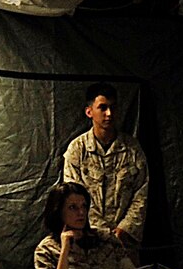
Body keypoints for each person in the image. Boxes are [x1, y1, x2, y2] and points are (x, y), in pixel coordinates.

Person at [60, 81, 150, 248]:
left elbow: (141, 193)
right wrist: (101, 232)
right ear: (89, 111)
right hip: (88, 239)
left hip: (125, 241)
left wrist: (125, 229)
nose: (109, 113)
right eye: (102, 107)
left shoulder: (132, 149)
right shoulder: (77, 150)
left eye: (113, 107)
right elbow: (73, 196)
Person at [35, 182, 143, 269]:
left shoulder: (107, 239)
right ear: (58, 211)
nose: (81, 212)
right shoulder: (46, 250)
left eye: (84, 206)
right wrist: (65, 249)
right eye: (73, 208)